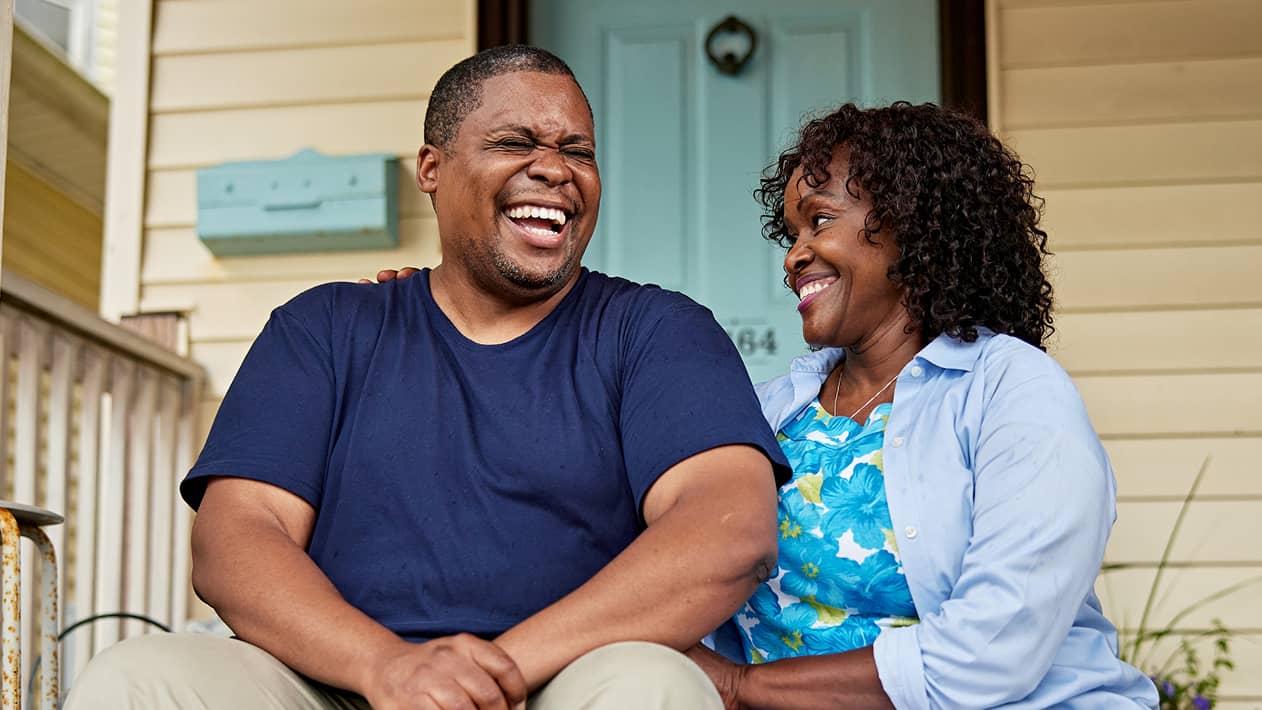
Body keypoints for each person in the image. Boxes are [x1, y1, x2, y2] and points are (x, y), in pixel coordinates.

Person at [64, 46, 790, 710]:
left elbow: (727, 533)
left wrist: (488, 672)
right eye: (514, 142)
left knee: (654, 687)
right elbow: (235, 539)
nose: (555, 168)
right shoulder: (324, 328)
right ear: (432, 169)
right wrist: (388, 669)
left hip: (563, 681)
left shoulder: (656, 332)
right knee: (131, 679)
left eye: (578, 150)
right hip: (337, 681)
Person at [675, 102, 1161, 708]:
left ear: (914, 224)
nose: (794, 256)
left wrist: (743, 687)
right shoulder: (772, 410)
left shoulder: (1012, 391)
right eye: (793, 232)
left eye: (820, 221)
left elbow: (993, 650)